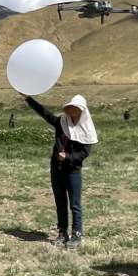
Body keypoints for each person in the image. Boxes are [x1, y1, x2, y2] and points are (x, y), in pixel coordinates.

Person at [23, 93, 98, 248]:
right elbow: (44, 113)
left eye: (75, 108)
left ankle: (76, 235)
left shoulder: (86, 130)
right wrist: (28, 98)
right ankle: (62, 233)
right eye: (70, 108)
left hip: (73, 171)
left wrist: (68, 157)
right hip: (56, 170)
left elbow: (84, 154)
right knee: (60, 202)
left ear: (82, 111)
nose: (71, 111)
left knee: (75, 204)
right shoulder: (61, 123)